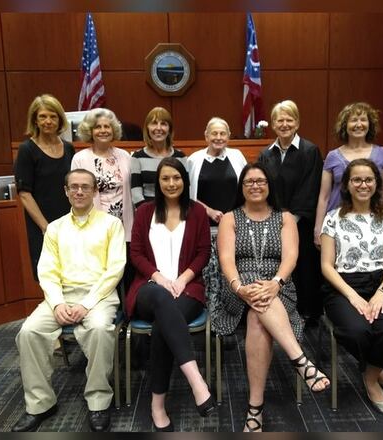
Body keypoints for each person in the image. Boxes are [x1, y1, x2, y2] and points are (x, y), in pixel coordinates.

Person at [217, 163, 330, 432]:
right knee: (257, 304)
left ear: (269, 186)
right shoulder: (230, 218)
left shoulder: (285, 217)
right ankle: (301, 362)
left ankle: (254, 409)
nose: (255, 186)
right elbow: (226, 260)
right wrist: (238, 287)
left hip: (280, 287)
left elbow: (291, 257)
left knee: (258, 317)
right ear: (241, 188)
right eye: (249, 182)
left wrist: (275, 283)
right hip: (238, 289)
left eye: (260, 181)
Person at [13, 169, 125, 432]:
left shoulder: (111, 225)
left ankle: (98, 402)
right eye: (73, 187)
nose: (79, 192)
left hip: (99, 296)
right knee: (29, 332)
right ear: (65, 191)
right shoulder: (54, 228)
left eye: (85, 187)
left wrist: (87, 303)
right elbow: (47, 271)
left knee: (99, 330)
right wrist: (57, 303)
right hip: (61, 296)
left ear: (95, 191)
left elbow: (115, 269)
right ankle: (40, 403)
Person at [126, 157, 216, 432]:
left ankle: (157, 404)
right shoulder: (144, 212)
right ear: (158, 182)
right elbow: (137, 254)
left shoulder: (197, 212)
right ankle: (196, 380)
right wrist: (160, 278)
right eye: (165, 178)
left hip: (187, 288)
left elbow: (203, 252)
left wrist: (183, 278)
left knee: (164, 325)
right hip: (148, 287)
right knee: (162, 301)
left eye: (176, 178)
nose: (171, 183)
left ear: (184, 181)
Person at [319, 158, 383, 414]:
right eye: (356, 179)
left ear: (376, 183)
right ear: (346, 184)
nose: (363, 184)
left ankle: (370, 376)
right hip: (343, 286)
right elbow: (326, 266)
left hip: (381, 283)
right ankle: (378, 369)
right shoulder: (333, 218)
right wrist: (353, 296)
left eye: (368, 179)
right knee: (356, 331)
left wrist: (381, 293)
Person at [257, 100, 323, 323]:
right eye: (279, 120)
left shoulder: (310, 151)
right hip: (273, 223)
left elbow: (310, 187)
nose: (284, 124)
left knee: (304, 269)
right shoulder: (266, 154)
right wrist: (274, 220)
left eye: (289, 119)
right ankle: (282, 313)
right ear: (273, 124)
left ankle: (308, 316)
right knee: (278, 268)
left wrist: (290, 221)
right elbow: (262, 187)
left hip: (301, 223)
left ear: (297, 123)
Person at [186, 117, 247, 331]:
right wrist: (209, 211)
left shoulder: (237, 156)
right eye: (214, 133)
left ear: (229, 136)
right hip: (206, 226)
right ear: (206, 136)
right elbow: (188, 195)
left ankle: (234, 319)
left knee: (232, 271)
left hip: (235, 227)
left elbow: (246, 189)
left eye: (223, 133)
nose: (219, 138)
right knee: (210, 274)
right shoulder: (194, 159)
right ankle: (211, 319)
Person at [314, 102, 383, 246]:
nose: (359, 124)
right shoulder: (332, 156)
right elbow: (324, 196)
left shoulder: (382, 154)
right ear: (345, 125)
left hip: (373, 222)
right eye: (353, 120)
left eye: (363, 120)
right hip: (337, 223)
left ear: (370, 124)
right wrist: (318, 227)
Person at [14, 94, 75, 280]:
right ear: (35, 120)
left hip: (69, 222)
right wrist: (46, 227)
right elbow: (24, 194)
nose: (48, 121)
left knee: (73, 271)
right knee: (50, 274)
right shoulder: (27, 150)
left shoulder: (69, 148)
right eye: (43, 116)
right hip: (42, 223)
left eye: (53, 116)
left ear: (60, 119)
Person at [71, 108, 133, 241]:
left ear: (113, 130)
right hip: (92, 229)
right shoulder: (79, 158)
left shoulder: (125, 156)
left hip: (123, 228)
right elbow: (75, 195)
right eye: (98, 127)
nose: (103, 130)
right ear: (90, 131)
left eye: (107, 126)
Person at [130, 107, 188, 207]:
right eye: (154, 123)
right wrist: (149, 214)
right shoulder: (137, 157)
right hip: (147, 214)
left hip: (176, 212)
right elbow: (136, 193)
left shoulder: (180, 157)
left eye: (163, 124)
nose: (159, 128)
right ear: (147, 128)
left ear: (169, 129)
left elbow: (187, 189)